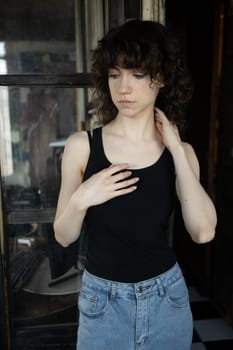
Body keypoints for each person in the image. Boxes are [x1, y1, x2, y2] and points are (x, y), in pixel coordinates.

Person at [53, 20, 217, 350]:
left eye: (137, 75)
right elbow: (63, 235)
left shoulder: (180, 153)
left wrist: (175, 149)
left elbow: (203, 232)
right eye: (115, 74)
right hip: (102, 303)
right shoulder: (81, 146)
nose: (123, 87)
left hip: (166, 299)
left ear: (162, 78)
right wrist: (82, 198)